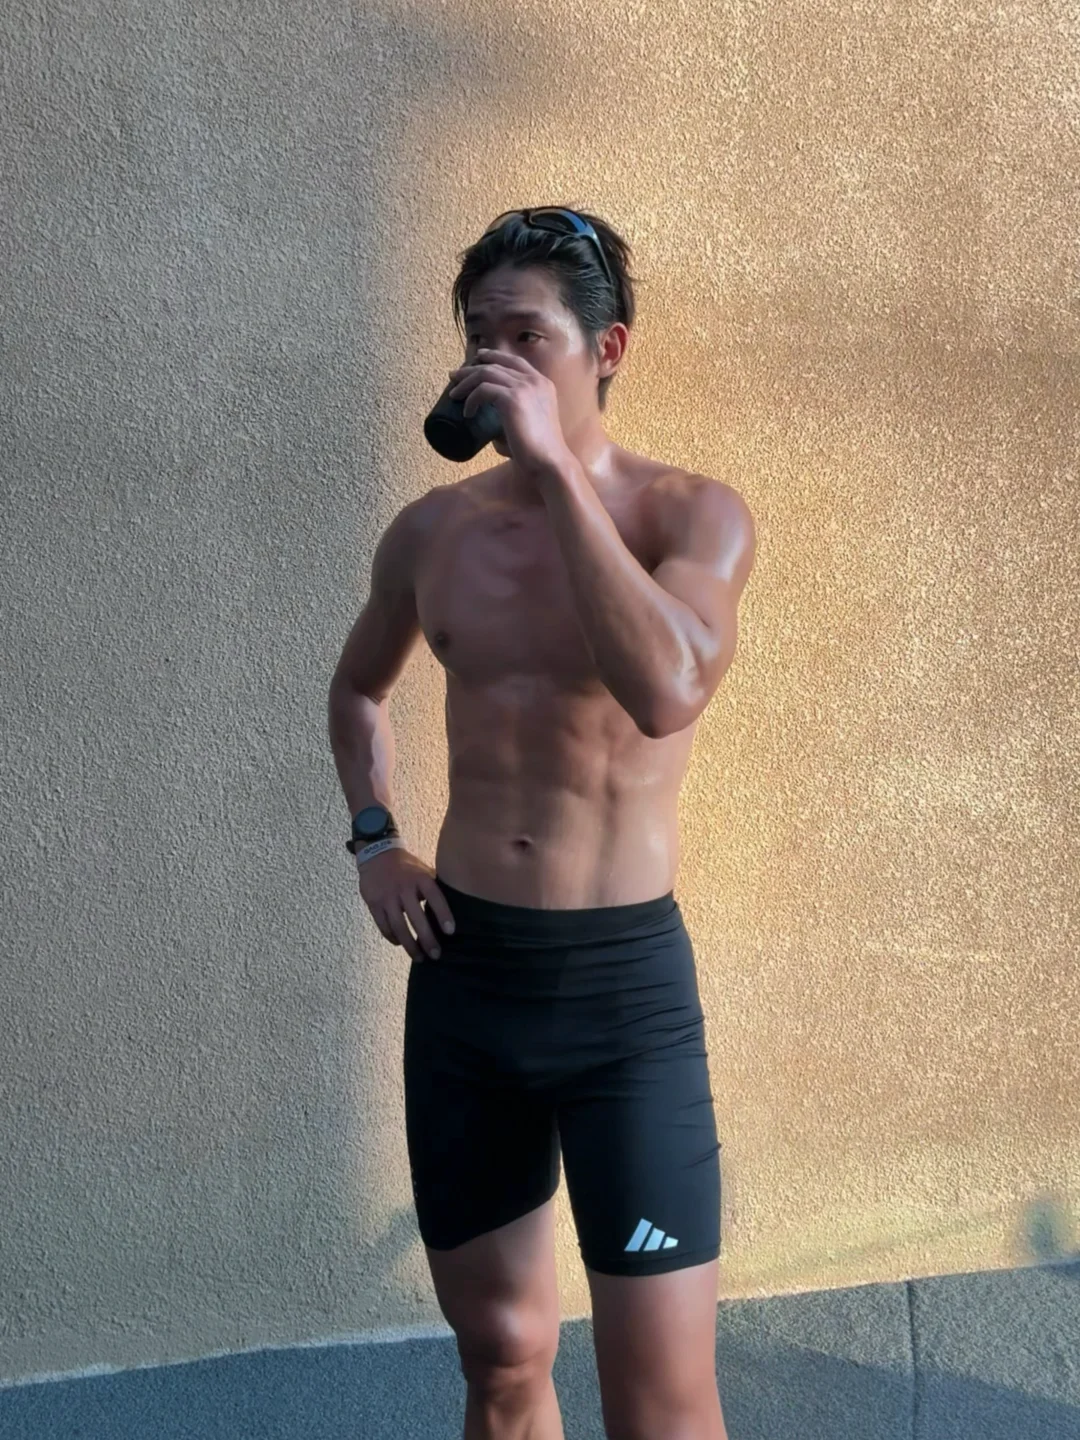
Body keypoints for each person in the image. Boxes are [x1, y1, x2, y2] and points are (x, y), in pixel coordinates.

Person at [328, 207, 756, 1440]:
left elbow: (667, 690)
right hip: (471, 981)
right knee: (504, 1359)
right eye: (479, 335)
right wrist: (375, 842)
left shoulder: (691, 517)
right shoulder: (431, 533)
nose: (495, 361)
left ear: (606, 349)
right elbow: (358, 691)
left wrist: (561, 474)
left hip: (623, 1001)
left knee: (661, 1404)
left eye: (527, 337)